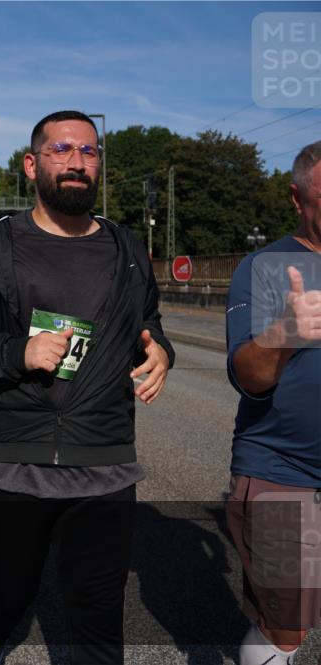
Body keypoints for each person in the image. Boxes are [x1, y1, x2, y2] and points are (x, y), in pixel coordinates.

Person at [0, 110, 173, 665]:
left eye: (88, 152)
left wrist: (159, 349)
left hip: (106, 458)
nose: (77, 163)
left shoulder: (127, 247)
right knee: (9, 598)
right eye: (62, 150)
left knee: (98, 617)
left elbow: (147, 320)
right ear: (32, 164)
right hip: (18, 459)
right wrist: (16, 353)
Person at [224, 140, 321, 665]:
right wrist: (285, 332)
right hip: (283, 474)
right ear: (297, 197)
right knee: (287, 632)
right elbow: (248, 377)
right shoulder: (265, 268)